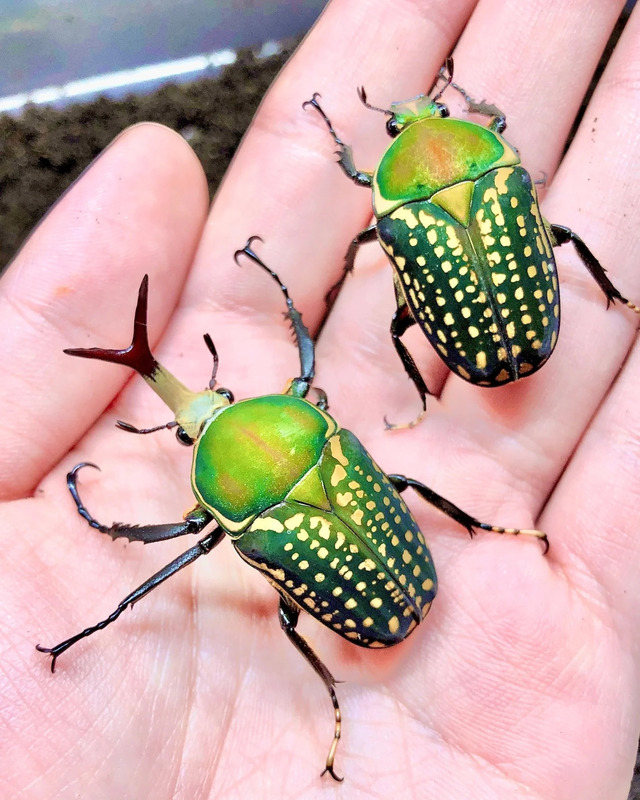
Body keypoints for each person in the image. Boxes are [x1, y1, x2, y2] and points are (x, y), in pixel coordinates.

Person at [1, 0, 639, 796]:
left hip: (373, 582)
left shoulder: (250, 477)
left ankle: (379, 634)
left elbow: (171, 546)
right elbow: (305, 372)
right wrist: (286, 297)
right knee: (400, 470)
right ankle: (467, 541)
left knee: (301, 554)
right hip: (397, 556)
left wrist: (108, 555)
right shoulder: (312, 406)